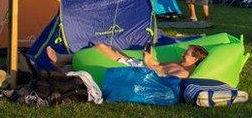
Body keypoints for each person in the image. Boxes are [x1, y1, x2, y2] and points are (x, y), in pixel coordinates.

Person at [46, 44, 208, 79]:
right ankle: (65, 65)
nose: (183, 54)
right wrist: (150, 57)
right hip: (142, 64)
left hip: (139, 70)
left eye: (187, 54)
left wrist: (147, 62)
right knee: (112, 47)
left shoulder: (183, 72)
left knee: (102, 47)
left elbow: (158, 74)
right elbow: (159, 66)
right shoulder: (179, 64)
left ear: (194, 59)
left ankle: (62, 61)